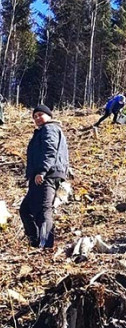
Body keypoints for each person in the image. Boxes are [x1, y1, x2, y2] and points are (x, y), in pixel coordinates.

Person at [20, 105, 69, 249]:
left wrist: (42, 171)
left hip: (47, 175)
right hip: (40, 175)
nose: (37, 118)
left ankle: (46, 245)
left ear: (49, 116)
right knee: (26, 209)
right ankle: (35, 242)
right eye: (35, 116)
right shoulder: (42, 131)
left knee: (42, 210)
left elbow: (50, 150)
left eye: (40, 114)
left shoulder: (50, 129)